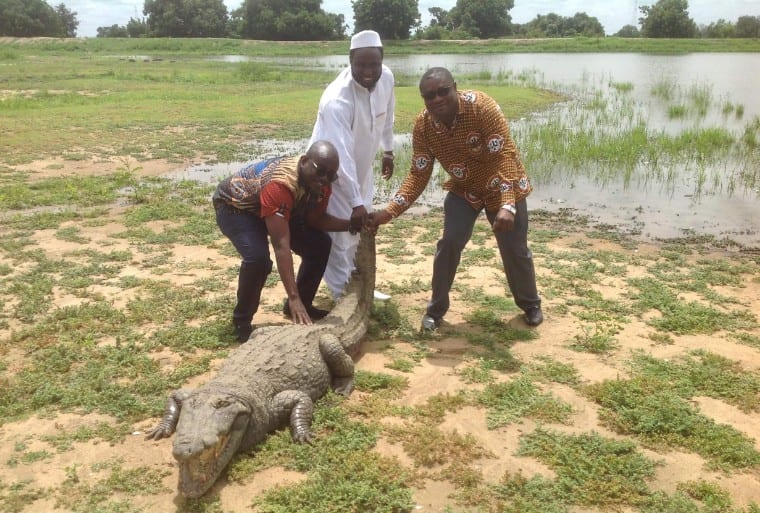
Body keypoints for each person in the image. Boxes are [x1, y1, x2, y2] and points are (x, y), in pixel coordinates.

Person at [368, 67, 543, 331]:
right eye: (429, 96)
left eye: (443, 91)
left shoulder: (482, 107)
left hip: (503, 184)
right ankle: (435, 311)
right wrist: (389, 212)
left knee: (515, 248)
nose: (437, 99)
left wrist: (508, 203)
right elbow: (418, 173)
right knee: (448, 243)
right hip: (465, 189)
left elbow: (503, 155)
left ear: (455, 87)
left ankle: (530, 304)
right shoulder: (424, 126)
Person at [212, 140, 351, 343]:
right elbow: (281, 245)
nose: (324, 179)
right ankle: (242, 321)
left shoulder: (322, 183)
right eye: (320, 171)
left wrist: (351, 225)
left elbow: (315, 220)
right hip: (237, 208)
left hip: (278, 207)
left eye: (331, 175)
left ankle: (302, 303)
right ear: (304, 161)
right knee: (258, 260)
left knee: (319, 244)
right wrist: (292, 295)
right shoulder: (280, 184)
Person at [308, 29, 396, 300]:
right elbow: (341, 154)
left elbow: (388, 115)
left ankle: (356, 281)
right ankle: (341, 294)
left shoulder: (387, 78)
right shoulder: (337, 100)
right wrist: (354, 201)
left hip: (362, 167)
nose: (368, 71)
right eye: (361, 64)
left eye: (374, 64)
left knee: (362, 224)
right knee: (340, 233)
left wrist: (389, 150)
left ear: (382, 61)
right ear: (350, 61)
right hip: (329, 175)